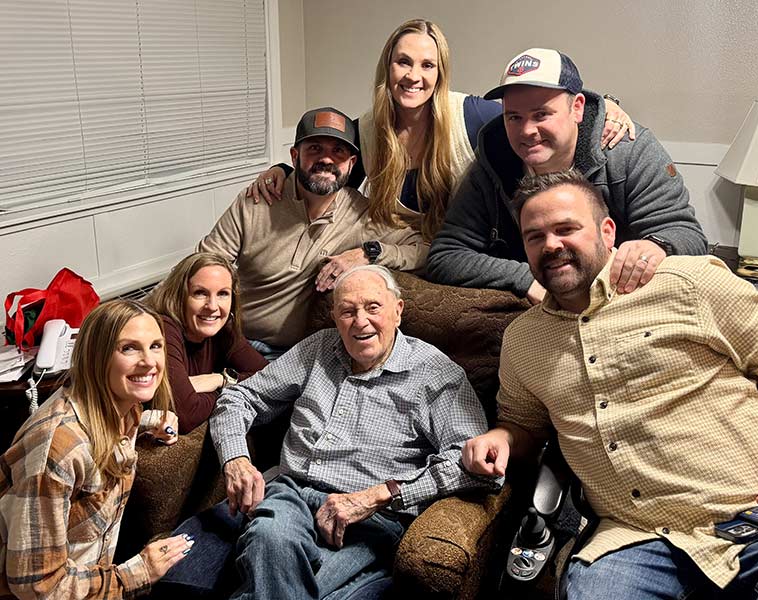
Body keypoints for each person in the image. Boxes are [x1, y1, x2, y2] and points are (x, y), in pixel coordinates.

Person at [462, 170, 758, 599]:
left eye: (566, 229)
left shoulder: (691, 283)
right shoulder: (523, 340)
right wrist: (500, 437)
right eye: (535, 236)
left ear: (607, 231)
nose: (551, 245)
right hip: (635, 537)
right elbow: (524, 425)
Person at [164, 265, 500, 599]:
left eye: (373, 307)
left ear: (398, 311)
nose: (360, 321)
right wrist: (236, 459)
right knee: (269, 534)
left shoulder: (436, 374)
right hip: (291, 494)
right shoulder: (318, 348)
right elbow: (241, 397)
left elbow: (474, 466)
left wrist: (379, 495)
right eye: (348, 311)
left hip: (371, 517)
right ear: (335, 317)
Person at [247, 19, 634, 241]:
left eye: (427, 65)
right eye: (403, 62)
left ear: (440, 73)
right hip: (399, 254)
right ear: (387, 68)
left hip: (464, 250)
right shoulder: (366, 130)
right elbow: (327, 169)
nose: (413, 76)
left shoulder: (471, 115)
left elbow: (537, 110)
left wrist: (606, 106)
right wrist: (281, 171)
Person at [426, 48, 708, 302]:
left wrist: (654, 247)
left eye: (541, 114)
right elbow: (446, 255)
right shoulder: (492, 162)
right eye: (514, 117)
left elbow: (686, 235)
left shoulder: (630, 152)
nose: (527, 131)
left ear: (577, 108)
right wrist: (528, 279)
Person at [0, 300, 193, 599]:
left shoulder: (124, 408)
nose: (149, 361)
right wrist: (140, 571)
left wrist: (150, 420)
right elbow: (38, 586)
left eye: (155, 346)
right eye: (129, 348)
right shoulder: (58, 450)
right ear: (96, 356)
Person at [198, 106, 425, 358]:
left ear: (351, 164)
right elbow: (203, 264)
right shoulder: (258, 199)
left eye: (338, 151)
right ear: (295, 156)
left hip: (288, 354)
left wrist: (367, 253)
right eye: (315, 148)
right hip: (228, 335)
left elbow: (423, 249)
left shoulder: (362, 214)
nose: (326, 159)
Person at [147, 252, 268, 434]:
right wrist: (228, 391)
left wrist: (220, 380)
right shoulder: (163, 329)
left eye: (223, 294)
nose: (212, 306)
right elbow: (187, 415)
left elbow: (270, 378)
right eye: (200, 293)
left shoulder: (224, 329)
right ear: (179, 297)